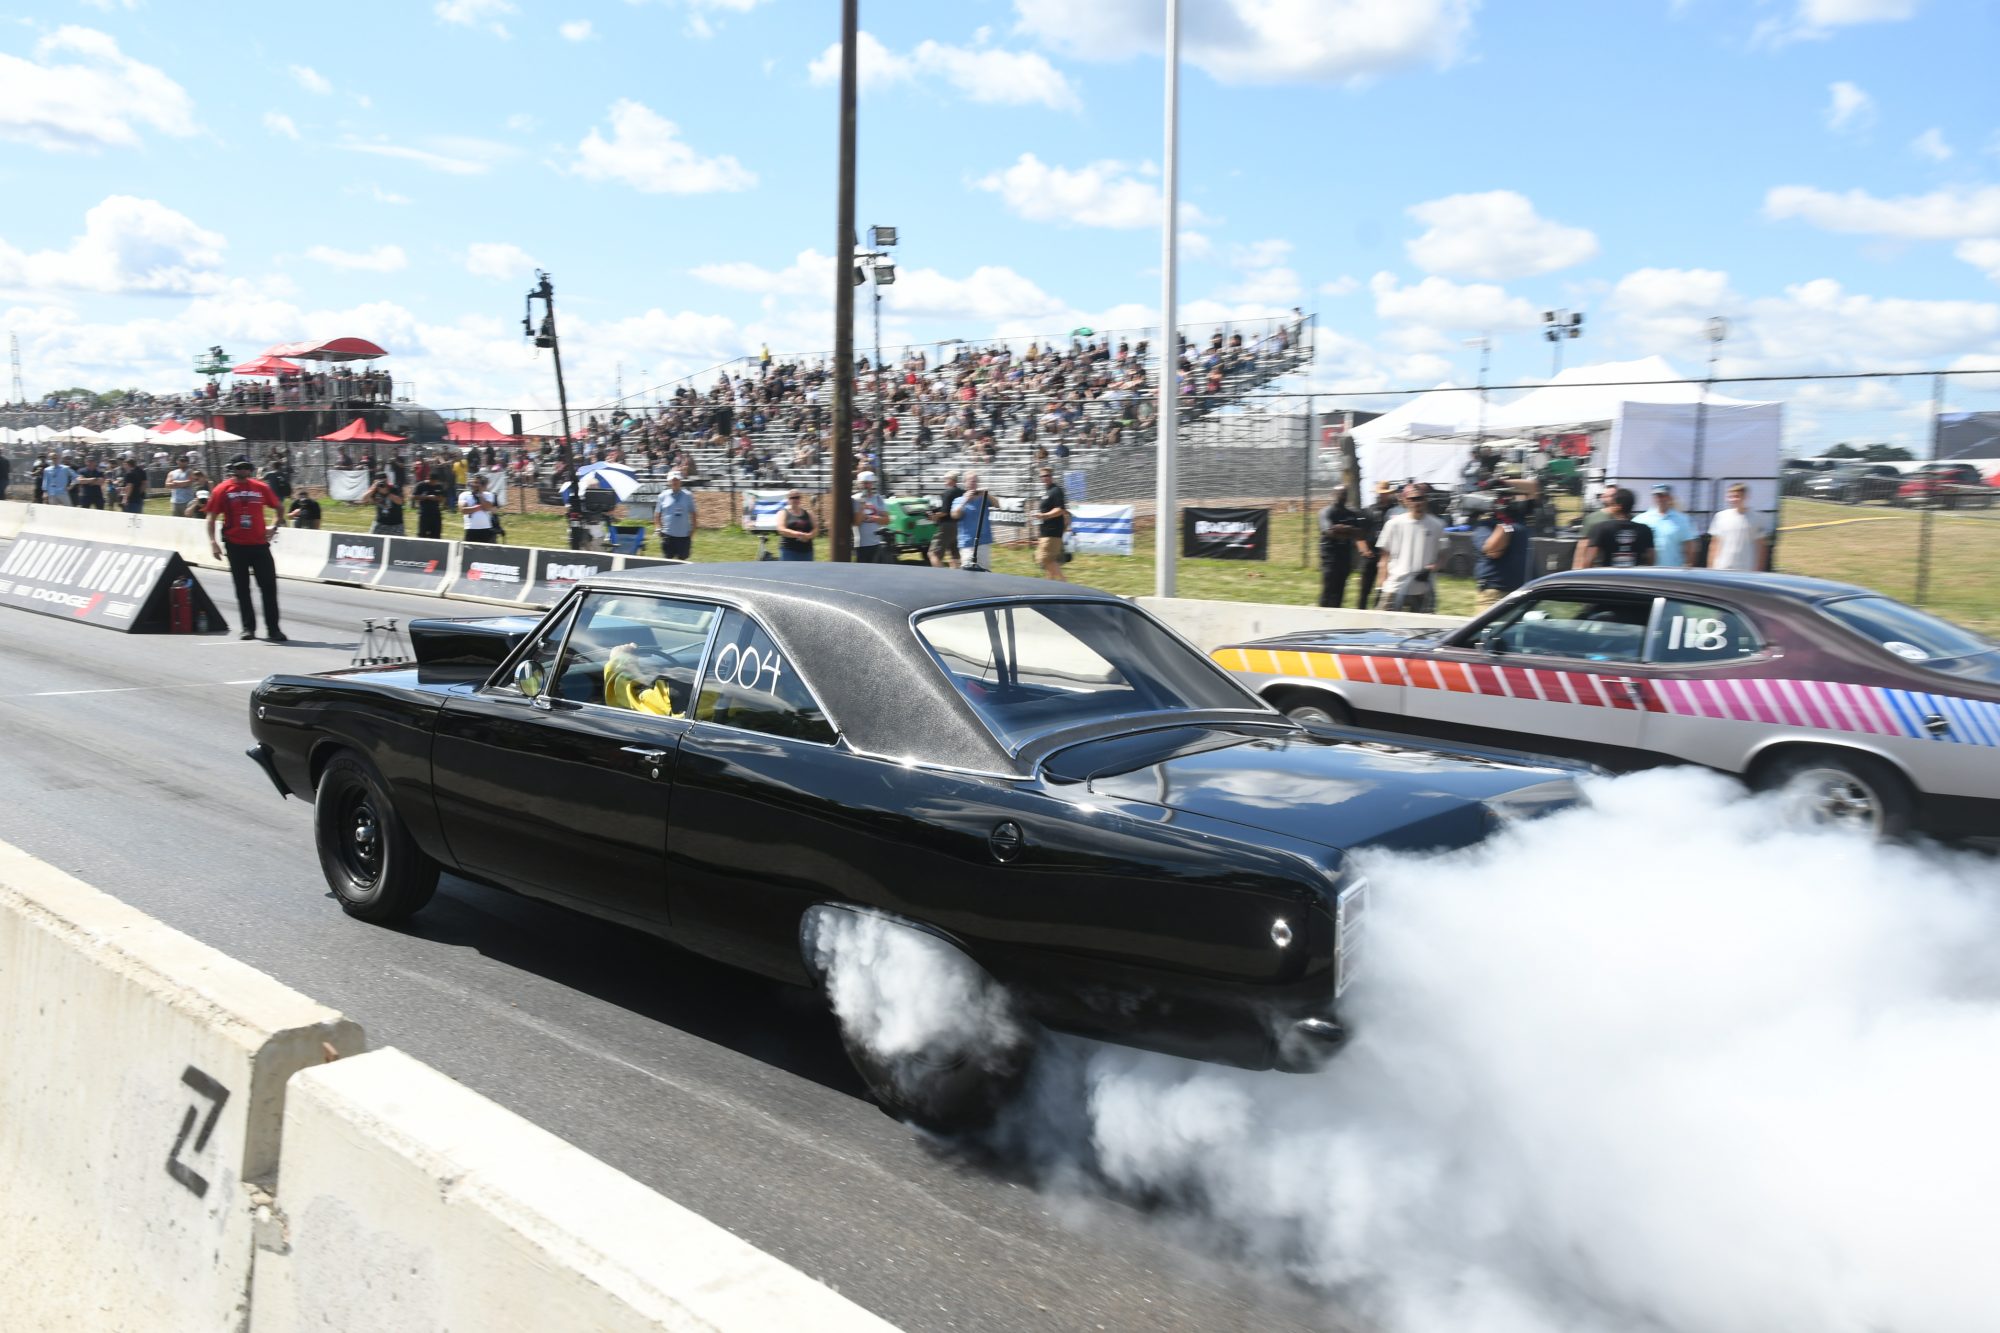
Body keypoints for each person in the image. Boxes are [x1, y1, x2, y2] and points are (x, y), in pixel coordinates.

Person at [206, 456, 286, 642]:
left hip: (260, 545)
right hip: (235, 546)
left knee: (269, 587)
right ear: (232, 469)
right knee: (242, 589)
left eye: (247, 467)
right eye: (240, 467)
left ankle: (273, 629)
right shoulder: (222, 489)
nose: (244, 470)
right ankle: (248, 628)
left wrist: (274, 527)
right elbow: (211, 517)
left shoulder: (260, 487)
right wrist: (213, 542)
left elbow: (279, 507)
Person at [1376, 485, 1445, 611]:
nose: (1417, 502)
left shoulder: (1437, 525)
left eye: (1420, 498)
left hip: (1423, 588)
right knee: (1384, 621)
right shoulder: (1393, 524)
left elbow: (1442, 555)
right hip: (1395, 586)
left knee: (1423, 623)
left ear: (1425, 499)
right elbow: (1384, 558)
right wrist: (1380, 587)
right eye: (1412, 499)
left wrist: (1434, 567)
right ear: (1405, 501)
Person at [1471, 498, 1531, 610]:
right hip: (1496, 594)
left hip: (1523, 592)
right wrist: (1506, 524)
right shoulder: (1485, 526)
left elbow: (1534, 489)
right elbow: (1492, 551)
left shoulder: (1520, 522)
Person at [1316, 484, 1370, 608]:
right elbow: (1329, 532)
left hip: (1345, 555)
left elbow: (1360, 533)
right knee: (1329, 588)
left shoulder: (1351, 513)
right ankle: (1323, 611)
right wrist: (1349, 530)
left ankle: (1336, 611)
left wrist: (1342, 528)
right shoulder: (1326, 512)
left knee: (1340, 588)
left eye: (1344, 494)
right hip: (1330, 556)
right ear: (1333, 495)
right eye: (1339, 494)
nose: (1342, 497)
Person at [1707, 483, 1769, 571]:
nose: (1733, 499)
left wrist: (1758, 570)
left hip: (1746, 569)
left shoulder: (1757, 517)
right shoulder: (1720, 516)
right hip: (1722, 568)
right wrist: (1710, 568)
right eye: (1730, 496)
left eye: (1737, 496)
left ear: (1745, 497)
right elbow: (1714, 544)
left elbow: (1761, 546)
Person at [1588, 487, 1656, 568]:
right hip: (1635, 575)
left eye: (1612, 504)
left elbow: (1589, 560)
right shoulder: (1644, 529)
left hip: (1608, 575)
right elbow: (1651, 559)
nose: (1610, 507)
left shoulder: (1600, 528)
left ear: (1618, 506)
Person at [1355, 481, 1397, 608]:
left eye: (1385, 493)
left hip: (1388, 554)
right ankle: (1361, 609)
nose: (1382, 496)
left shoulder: (1395, 511)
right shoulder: (1368, 511)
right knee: (1365, 587)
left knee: (1384, 587)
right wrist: (1363, 549)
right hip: (1371, 553)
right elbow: (1359, 533)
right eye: (1381, 493)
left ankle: (1378, 608)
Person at [1636, 484, 1696, 567]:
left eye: (1663, 496)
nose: (1660, 499)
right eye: (1657, 496)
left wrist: (1689, 565)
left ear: (1669, 497)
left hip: (1673, 570)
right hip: (1649, 570)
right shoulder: (1641, 519)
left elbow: (1689, 545)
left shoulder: (1683, 519)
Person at [1572, 482, 1622, 569]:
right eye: (1610, 495)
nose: (1613, 498)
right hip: (1598, 568)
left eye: (1615, 495)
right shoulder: (1592, 518)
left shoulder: (1627, 517)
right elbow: (1582, 547)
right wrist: (1577, 569)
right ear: (1602, 497)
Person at [1031, 465, 1067, 581]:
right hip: (1045, 531)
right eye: (1042, 476)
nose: (1045, 478)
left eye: (1047, 475)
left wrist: (1044, 515)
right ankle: (1051, 583)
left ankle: (1063, 581)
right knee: (1048, 560)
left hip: (1053, 531)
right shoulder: (1045, 492)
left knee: (1043, 558)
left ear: (1051, 476)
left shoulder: (1056, 491)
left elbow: (1060, 509)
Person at [953, 472, 993, 569]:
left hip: (983, 541)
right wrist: (965, 501)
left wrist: (986, 494)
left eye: (975, 481)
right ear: (965, 483)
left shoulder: (983, 498)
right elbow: (955, 515)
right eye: (971, 481)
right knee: (968, 570)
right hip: (967, 543)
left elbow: (998, 504)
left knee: (984, 570)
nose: (973, 483)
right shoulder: (958, 500)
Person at [654, 472, 696, 560]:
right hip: (668, 535)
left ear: (680, 481)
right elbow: (657, 514)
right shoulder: (662, 496)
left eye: (677, 480)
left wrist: (693, 529)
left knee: (683, 563)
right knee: (667, 563)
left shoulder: (688, 496)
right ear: (669, 482)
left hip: (684, 536)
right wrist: (658, 528)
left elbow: (693, 513)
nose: (675, 482)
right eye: (672, 480)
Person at [928, 470, 963, 569]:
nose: (944, 481)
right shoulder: (962, 492)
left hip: (947, 526)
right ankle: (957, 575)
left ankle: (941, 575)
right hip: (958, 525)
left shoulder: (947, 493)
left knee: (933, 554)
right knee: (954, 555)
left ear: (951, 480)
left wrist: (934, 516)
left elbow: (944, 512)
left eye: (946, 479)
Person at [852, 470, 887, 563]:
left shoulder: (878, 498)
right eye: (863, 483)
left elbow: (887, 520)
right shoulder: (854, 499)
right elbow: (856, 523)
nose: (866, 486)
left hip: (876, 543)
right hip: (861, 544)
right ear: (859, 484)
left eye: (868, 483)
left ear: (872, 484)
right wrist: (862, 506)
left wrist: (874, 518)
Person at [776, 489, 817, 561]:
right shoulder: (783, 513)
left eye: (797, 497)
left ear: (800, 498)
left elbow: (816, 528)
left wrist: (808, 536)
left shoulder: (808, 513)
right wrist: (798, 534)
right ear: (788, 499)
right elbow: (781, 529)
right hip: (789, 551)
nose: (795, 500)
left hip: (807, 551)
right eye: (792, 498)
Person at [460, 474, 501, 543]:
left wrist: (480, 494)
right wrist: (479, 507)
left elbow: (486, 507)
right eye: (474, 482)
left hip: (486, 529)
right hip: (471, 529)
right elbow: (464, 510)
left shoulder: (489, 495)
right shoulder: (464, 494)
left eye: (478, 483)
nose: (475, 485)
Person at [412, 472, 445, 539]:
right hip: (424, 513)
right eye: (432, 481)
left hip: (436, 513)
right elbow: (414, 496)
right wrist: (426, 497)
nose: (434, 483)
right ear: (428, 479)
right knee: (422, 534)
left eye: (435, 481)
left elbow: (442, 498)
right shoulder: (421, 485)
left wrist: (436, 498)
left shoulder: (439, 486)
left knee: (436, 535)